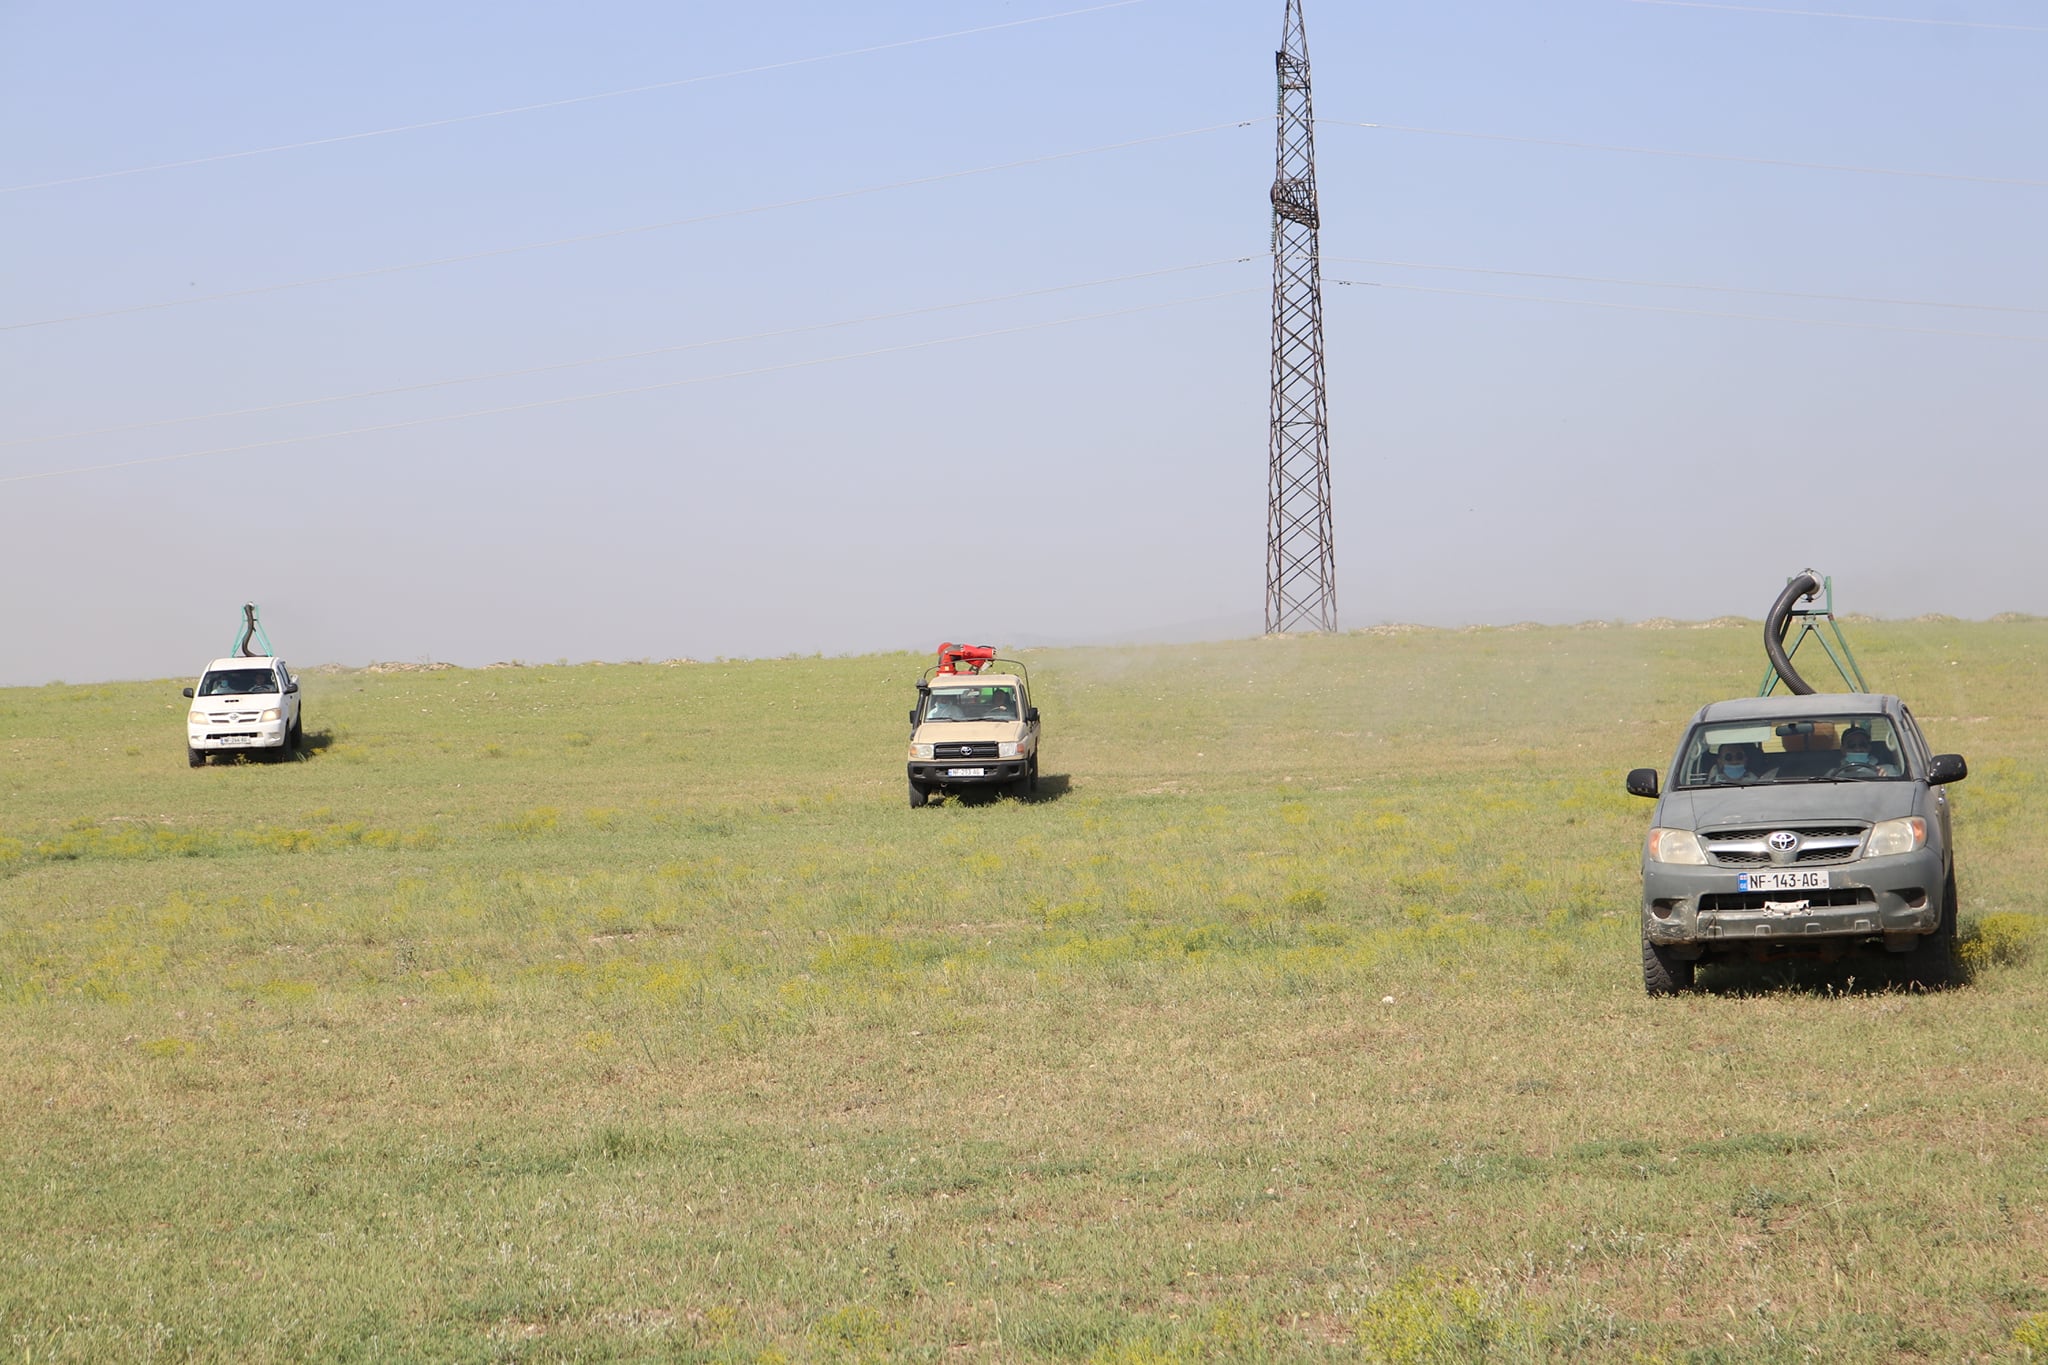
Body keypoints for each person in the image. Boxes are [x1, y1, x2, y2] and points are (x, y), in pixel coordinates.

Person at [1832, 727, 1899, 778]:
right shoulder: (1833, 774)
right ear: (1843, 749)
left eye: (1862, 745)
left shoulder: (1888, 770)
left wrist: (1886, 780)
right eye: (1851, 746)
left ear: (1869, 748)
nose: (1858, 749)